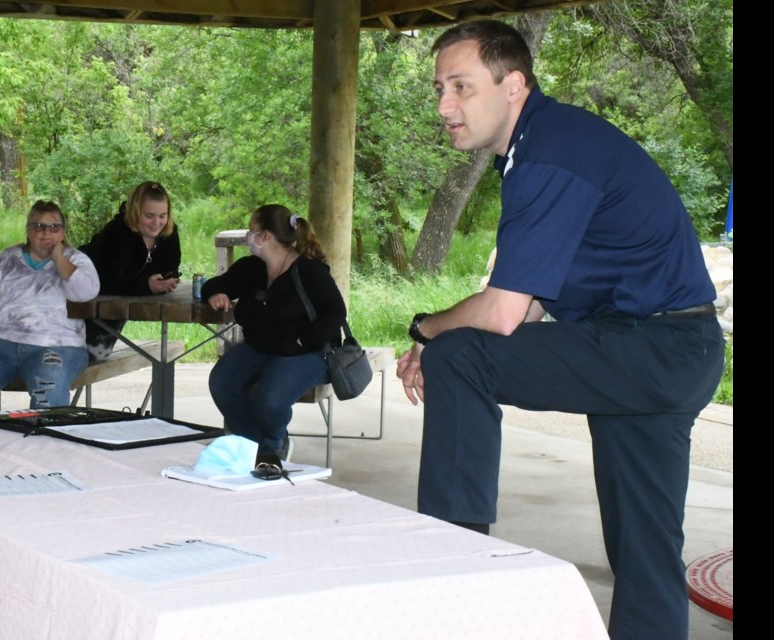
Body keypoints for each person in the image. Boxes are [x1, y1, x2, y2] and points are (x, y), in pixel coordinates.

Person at [395, 21, 725, 640]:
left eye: (461, 87)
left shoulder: (550, 151)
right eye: (440, 88)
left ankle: (453, 563)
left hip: (651, 346)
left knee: (463, 354)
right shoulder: (545, 145)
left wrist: (426, 330)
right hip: (671, 350)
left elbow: (501, 314)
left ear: (513, 85)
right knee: (644, 552)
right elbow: (538, 301)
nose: (444, 106)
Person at [202, 204, 346, 468]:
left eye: (251, 231)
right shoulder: (252, 268)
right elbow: (213, 284)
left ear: (265, 236)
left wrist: (303, 341)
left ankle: (273, 444)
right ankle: (257, 444)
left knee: (269, 398)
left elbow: (336, 313)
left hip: (306, 352)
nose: (249, 237)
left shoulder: (309, 271)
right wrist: (214, 293)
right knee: (222, 382)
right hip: (262, 346)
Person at [0, 200, 101, 423]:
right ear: (28, 230)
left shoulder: (76, 260)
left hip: (57, 345)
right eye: (38, 226)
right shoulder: (5, 259)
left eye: (54, 227)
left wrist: (59, 258)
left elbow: (86, 292)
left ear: (62, 232)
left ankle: (46, 450)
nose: (46, 233)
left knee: (51, 381)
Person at [78, 181, 182, 361]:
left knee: (96, 355)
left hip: (117, 301)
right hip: (79, 287)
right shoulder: (115, 232)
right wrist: (144, 285)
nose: (157, 223)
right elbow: (103, 279)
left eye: (162, 216)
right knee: (92, 356)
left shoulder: (170, 234)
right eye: (149, 216)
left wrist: (168, 279)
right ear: (135, 211)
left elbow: (171, 265)